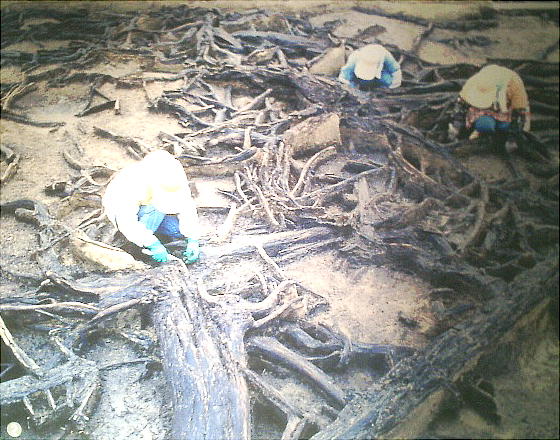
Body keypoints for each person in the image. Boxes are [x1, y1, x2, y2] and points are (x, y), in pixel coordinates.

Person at [102, 150, 200, 264]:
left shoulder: (175, 174)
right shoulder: (131, 184)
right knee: (144, 231)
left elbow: (187, 205)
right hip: (123, 213)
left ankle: (155, 234)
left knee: (177, 232)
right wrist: (153, 245)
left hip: (154, 210)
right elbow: (126, 222)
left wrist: (193, 239)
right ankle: (140, 245)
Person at [448, 64, 531, 153]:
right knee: (485, 125)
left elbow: (520, 113)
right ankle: (482, 133)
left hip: (507, 112)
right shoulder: (474, 81)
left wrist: (512, 139)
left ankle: (499, 136)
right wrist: (456, 126)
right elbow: (461, 103)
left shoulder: (514, 83)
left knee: (504, 127)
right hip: (482, 112)